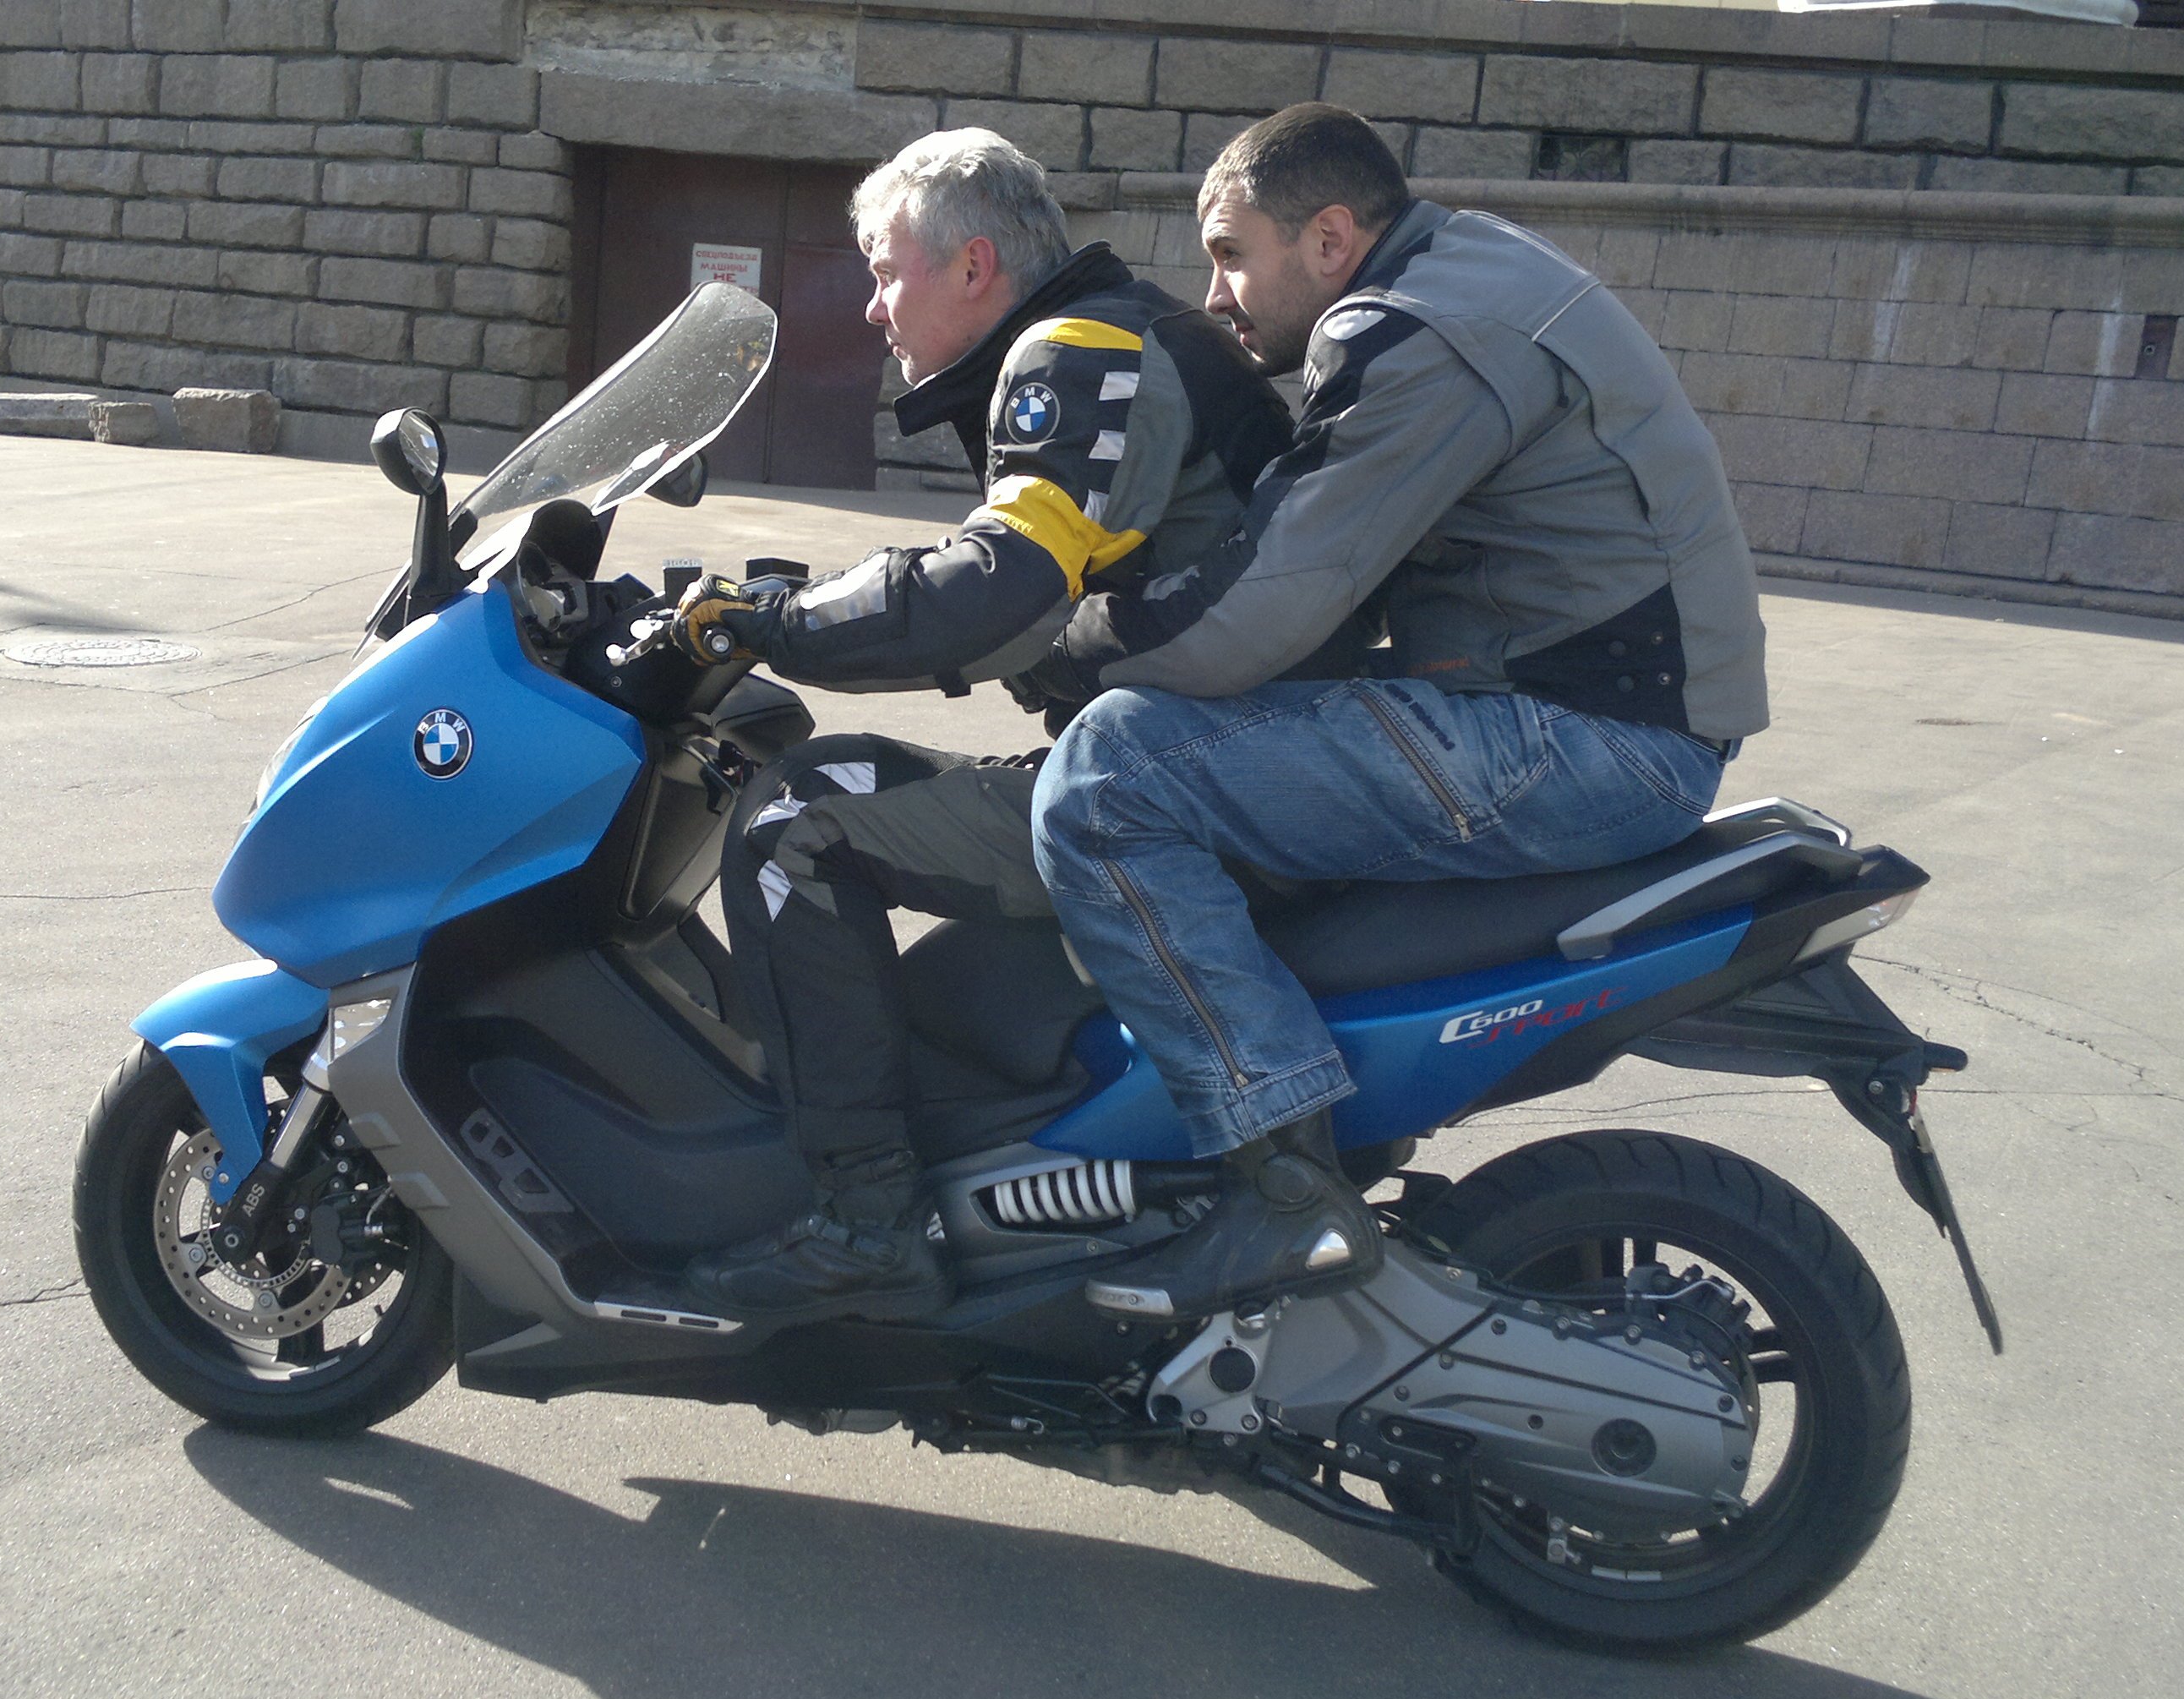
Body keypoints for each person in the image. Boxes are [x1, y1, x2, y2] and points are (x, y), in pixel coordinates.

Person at [1024, 104, 1771, 1321]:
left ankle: (1281, 1181)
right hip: (1594, 709)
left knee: (1111, 780)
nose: (1214, 294)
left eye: (1231, 255)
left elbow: (1265, 605)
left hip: (1587, 741)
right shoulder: (1468, 264)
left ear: (1328, 240)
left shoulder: (1406, 331)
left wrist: (1067, 642)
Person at [669, 128, 1291, 1323]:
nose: (871, 307)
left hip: (1191, 782)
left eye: (884, 271)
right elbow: (1035, 590)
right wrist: (821, 603)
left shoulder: (1079, 350)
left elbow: (998, 584)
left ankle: (865, 1226)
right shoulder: (1123, 329)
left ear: (973, 266)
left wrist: (776, 624)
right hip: (1210, 754)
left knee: (798, 817)